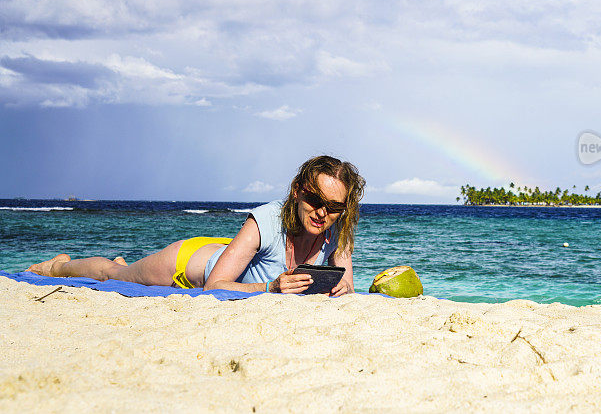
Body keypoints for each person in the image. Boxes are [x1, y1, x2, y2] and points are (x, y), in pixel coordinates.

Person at [26, 155, 365, 296]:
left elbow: (346, 282)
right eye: (316, 201)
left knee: (122, 269)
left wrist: (343, 287)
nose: (323, 213)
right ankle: (57, 265)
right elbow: (215, 287)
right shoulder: (266, 220)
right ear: (297, 192)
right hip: (190, 263)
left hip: (231, 253)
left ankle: (120, 263)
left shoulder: (337, 229)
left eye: (335, 206)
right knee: (113, 277)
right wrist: (270, 289)